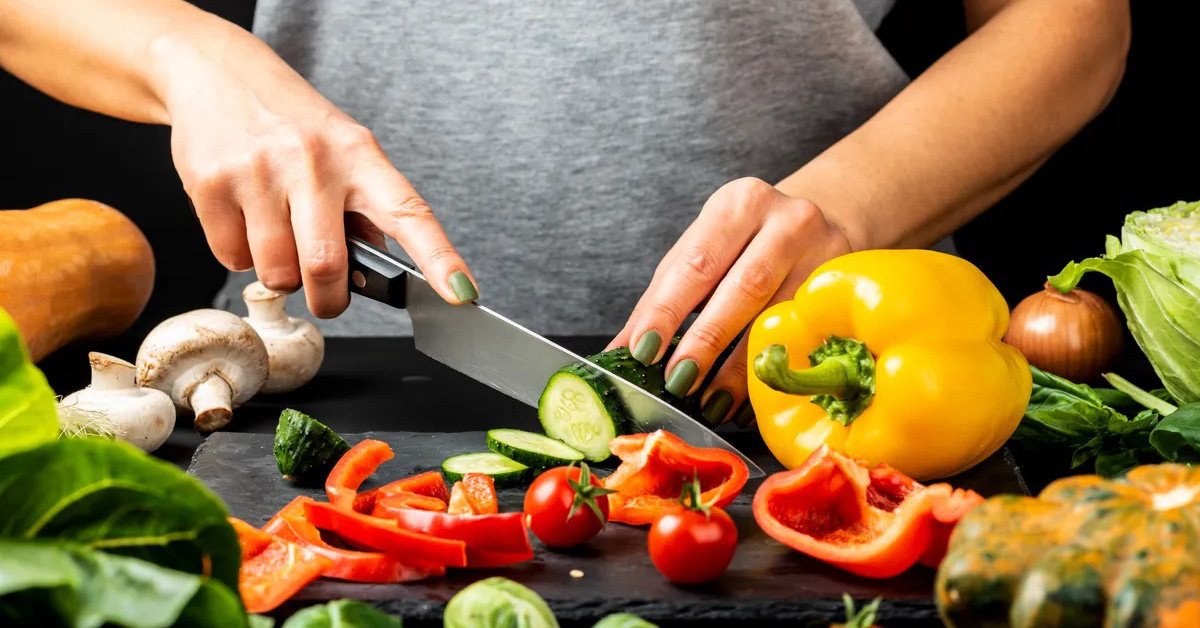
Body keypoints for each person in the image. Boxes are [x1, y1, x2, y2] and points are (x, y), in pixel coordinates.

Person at [0, 0, 1130, 426]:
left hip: (814, 397)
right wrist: (179, 48)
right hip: (294, 393)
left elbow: (1072, 22)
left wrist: (848, 206)